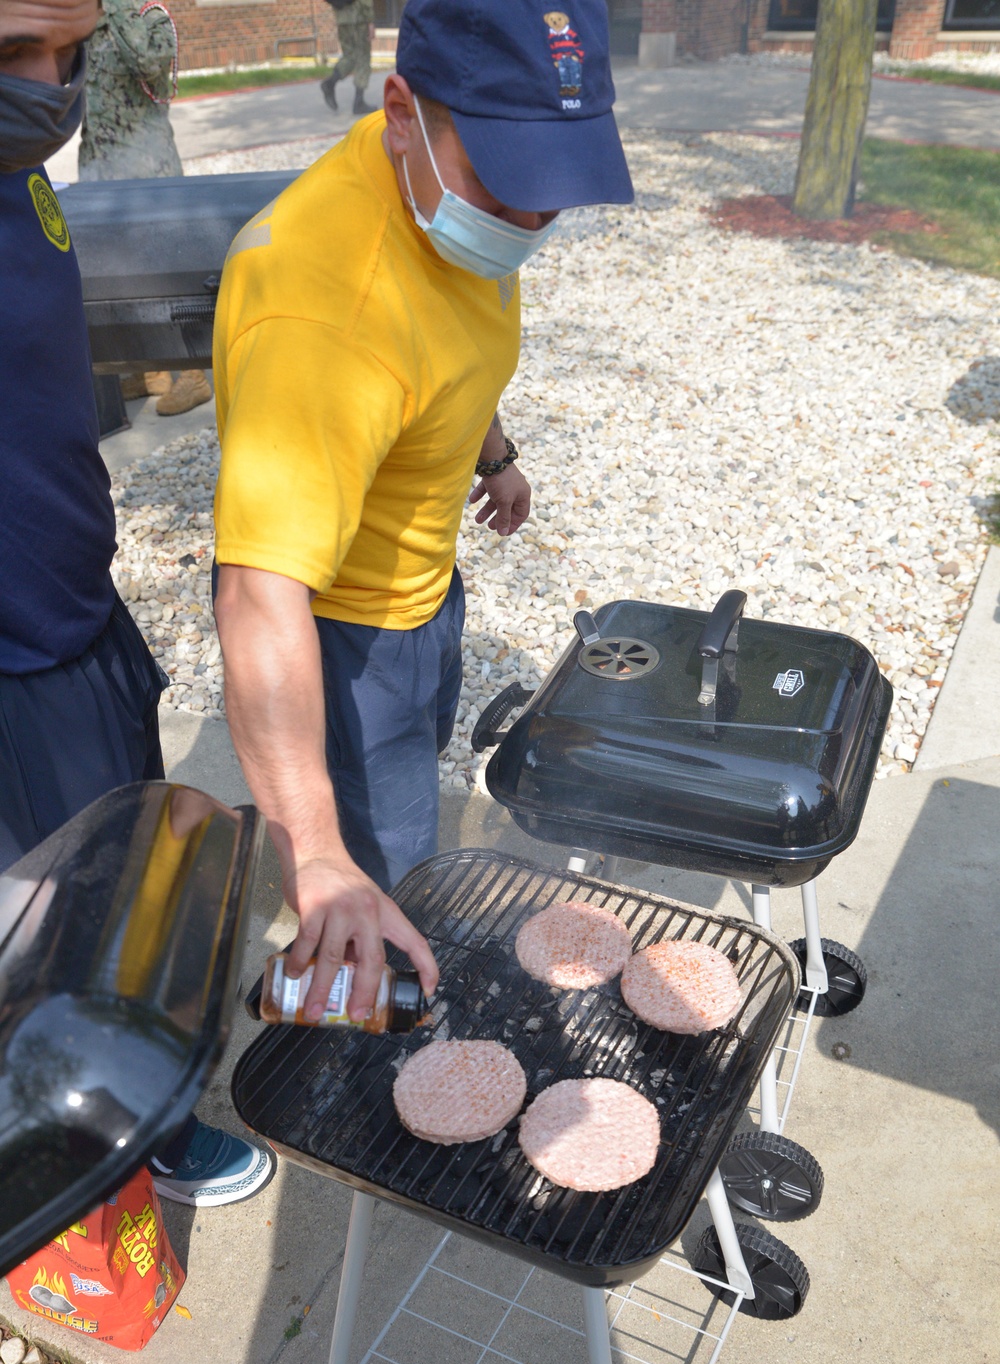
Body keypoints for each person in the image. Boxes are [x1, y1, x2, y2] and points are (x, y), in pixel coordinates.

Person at [212, 0, 633, 1023]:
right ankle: (365, 1041)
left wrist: (493, 451)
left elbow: (445, 343)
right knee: (377, 877)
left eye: (555, 192)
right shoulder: (321, 313)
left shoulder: (436, 184)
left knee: (403, 825)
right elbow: (258, 594)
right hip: (347, 641)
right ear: (401, 110)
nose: (531, 221)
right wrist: (313, 851)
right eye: (510, 184)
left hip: (424, 586)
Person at [0, 0, 271, 1206]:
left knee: (125, 875)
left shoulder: (25, 178)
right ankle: (113, 1140)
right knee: (71, 920)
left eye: (72, 52)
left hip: (69, 600)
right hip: (13, 654)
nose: (52, 87)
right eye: (15, 54)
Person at [78, 0, 211, 417]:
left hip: (147, 172)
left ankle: (193, 376)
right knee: (116, 273)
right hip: (102, 168)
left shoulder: (151, 18)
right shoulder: (90, 26)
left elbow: (149, 63)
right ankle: (148, 369)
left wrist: (115, 7)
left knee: (168, 272)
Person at [320, 0, 373, 116]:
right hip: (358, 19)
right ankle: (358, 102)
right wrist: (370, 21)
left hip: (342, 19)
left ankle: (330, 83)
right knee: (363, 58)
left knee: (350, 56)